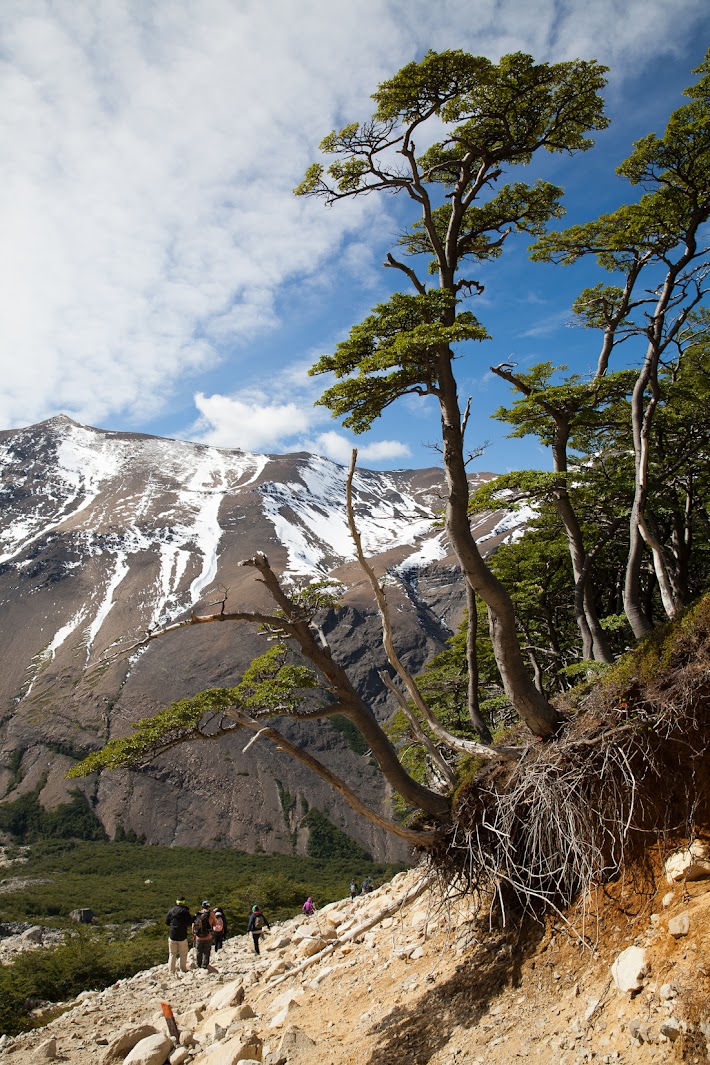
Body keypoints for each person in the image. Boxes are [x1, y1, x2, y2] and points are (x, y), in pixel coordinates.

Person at [165, 895, 192, 975]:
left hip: (172, 935)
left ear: (176, 902)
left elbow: (167, 922)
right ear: (183, 902)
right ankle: (183, 969)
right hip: (182, 935)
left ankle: (171, 971)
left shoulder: (171, 911)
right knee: (183, 953)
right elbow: (189, 922)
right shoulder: (185, 911)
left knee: (172, 954)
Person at [193, 900, 216, 969]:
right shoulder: (211, 914)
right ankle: (205, 965)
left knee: (198, 951)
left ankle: (198, 964)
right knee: (206, 951)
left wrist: (194, 934)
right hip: (207, 936)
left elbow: (193, 925)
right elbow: (214, 923)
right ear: (209, 906)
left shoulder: (197, 914)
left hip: (198, 936)